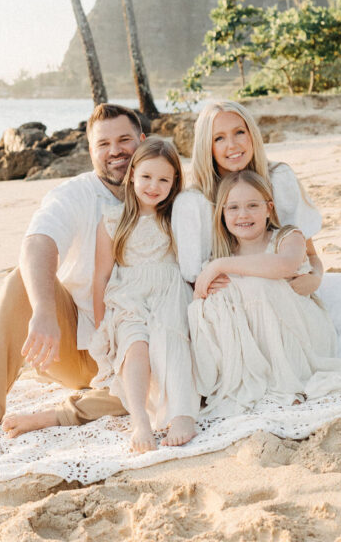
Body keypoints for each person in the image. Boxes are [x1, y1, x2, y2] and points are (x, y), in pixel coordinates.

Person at [0, 103, 145, 447]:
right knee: (21, 279)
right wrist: (45, 312)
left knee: (164, 383)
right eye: (103, 144)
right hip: (79, 348)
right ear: (90, 150)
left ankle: (71, 411)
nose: (116, 151)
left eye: (124, 140)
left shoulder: (164, 189)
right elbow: (39, 242)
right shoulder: (75, 194)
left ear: (142, 140)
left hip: (139, 347)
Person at [172, 100, 341, 365]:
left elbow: (309, 252)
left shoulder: (278, 177)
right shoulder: (194, 201)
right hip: (235, 304)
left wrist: (315, 276)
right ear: (205, 147)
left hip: (290, 289)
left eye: (239, 132)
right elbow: (192, 279)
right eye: (219, 138)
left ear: (251, 133)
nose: (232, 145)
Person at [188, 170, 341, 415]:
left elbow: (284, 266)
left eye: (253, 205)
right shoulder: (223, 252)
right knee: (211, 303)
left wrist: (220, 266)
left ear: (269, 208)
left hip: (301, 333)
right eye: (233, 208)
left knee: (262, 284)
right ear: (222, 213)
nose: (243, 214)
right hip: (252, 346)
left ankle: (285, 379)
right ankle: (238, 377)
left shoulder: (287, 237)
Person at [89, 138, 199, 452]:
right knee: (134, 344)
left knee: (169, 338)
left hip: (169, 290)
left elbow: (190, 259)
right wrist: (101, 325)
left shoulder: (175, 216)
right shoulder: (113, 219)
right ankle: (140, 420)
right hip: (129, 296)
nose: (154, 186)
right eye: (147, 177)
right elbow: (102, 276)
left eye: (164, 179)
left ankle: (181, 413)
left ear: (175, 182)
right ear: (133, 173)